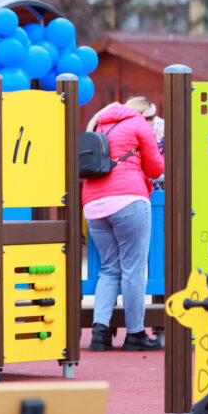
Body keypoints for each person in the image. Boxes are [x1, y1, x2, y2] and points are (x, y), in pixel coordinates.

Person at [83, 102, 164, 352]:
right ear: (142, 114)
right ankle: (135, 334)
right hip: (128, 200)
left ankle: (100, 334)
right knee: (133, 269)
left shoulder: (99, 125)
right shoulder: (137, 124)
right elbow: (156, 168)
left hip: (93, 204)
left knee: (109, 268)